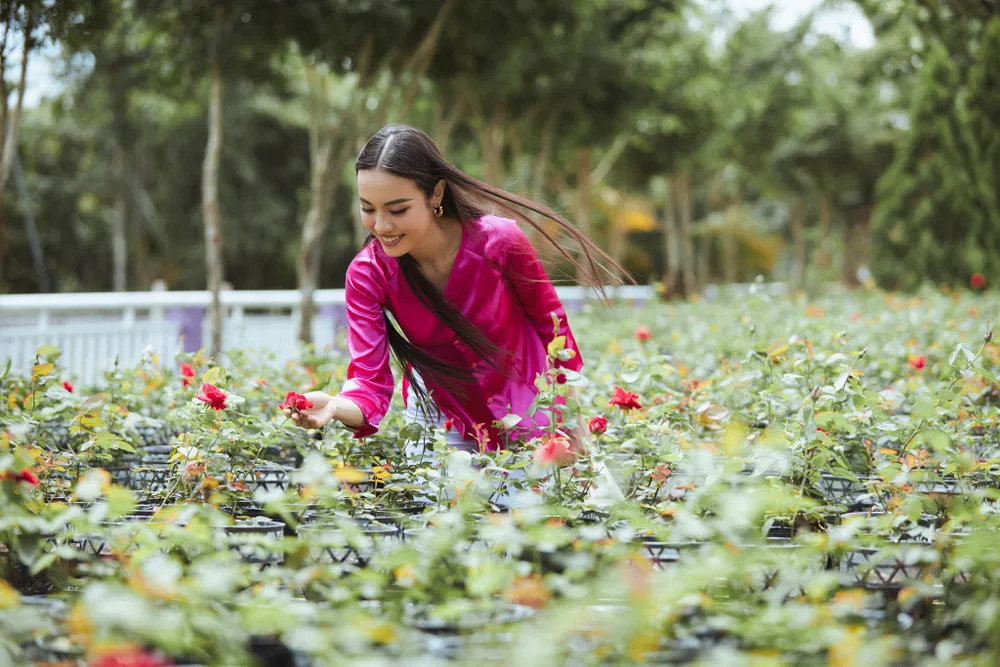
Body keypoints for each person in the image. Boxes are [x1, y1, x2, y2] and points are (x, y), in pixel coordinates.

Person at [282, 124, 628, 497]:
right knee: (445, 531)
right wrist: (333, 406)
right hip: (442, 415)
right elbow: (369, 382)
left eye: (397, 209)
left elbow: (555, 332)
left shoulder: (500, 241)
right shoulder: (368, 274)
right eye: (368, 209)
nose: (381, 226)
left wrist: (571, 421)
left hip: (529, 405)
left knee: (577, 522)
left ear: (436, 194)